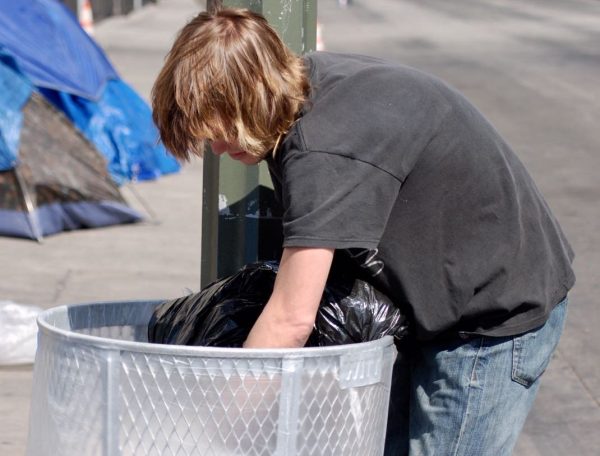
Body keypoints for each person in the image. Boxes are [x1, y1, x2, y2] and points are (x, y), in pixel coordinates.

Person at [151, 8, 575, 456]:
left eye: (222, 130)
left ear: (252, 95)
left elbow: (291, 319)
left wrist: (219, 425)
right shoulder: (301, 88)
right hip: (436, 300)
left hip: (491, 320)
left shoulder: (323, 149)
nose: (217, 148)